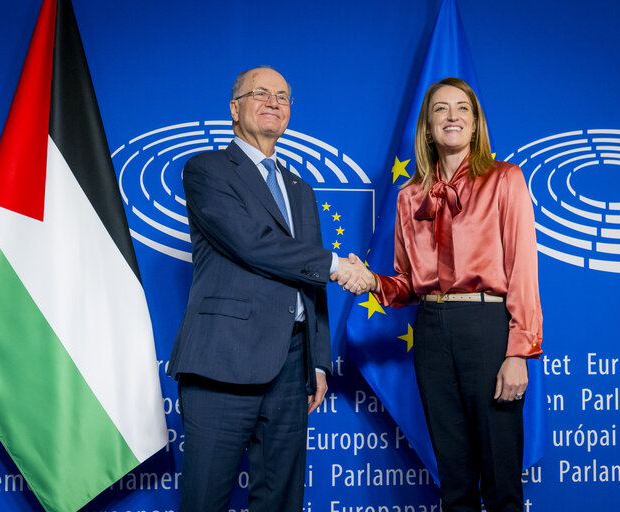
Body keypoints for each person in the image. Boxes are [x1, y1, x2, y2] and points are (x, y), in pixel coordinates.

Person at [167, 66, 368, 512]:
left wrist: (317, 360)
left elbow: (306, 280)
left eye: (283, 96)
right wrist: (337, 265)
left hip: (291, 367)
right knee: (204, 501)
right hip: (222, 362)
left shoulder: (300, 188)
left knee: (281, 502)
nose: (274, 102)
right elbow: (252, 244)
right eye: (260, 93)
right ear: (234, 109)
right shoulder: (207, 169)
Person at [354, 77, 543, 512]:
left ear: (475, 124)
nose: (452, 116)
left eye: (462, 108)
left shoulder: (505, 180)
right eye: (441, 109)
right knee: (454, 481)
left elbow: (523, 273)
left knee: (500, 479)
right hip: (433, 331)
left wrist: (519, 352)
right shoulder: (409, 197)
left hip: (488, 329)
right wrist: (371, 282)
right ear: (427, 126)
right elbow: (406, 284)